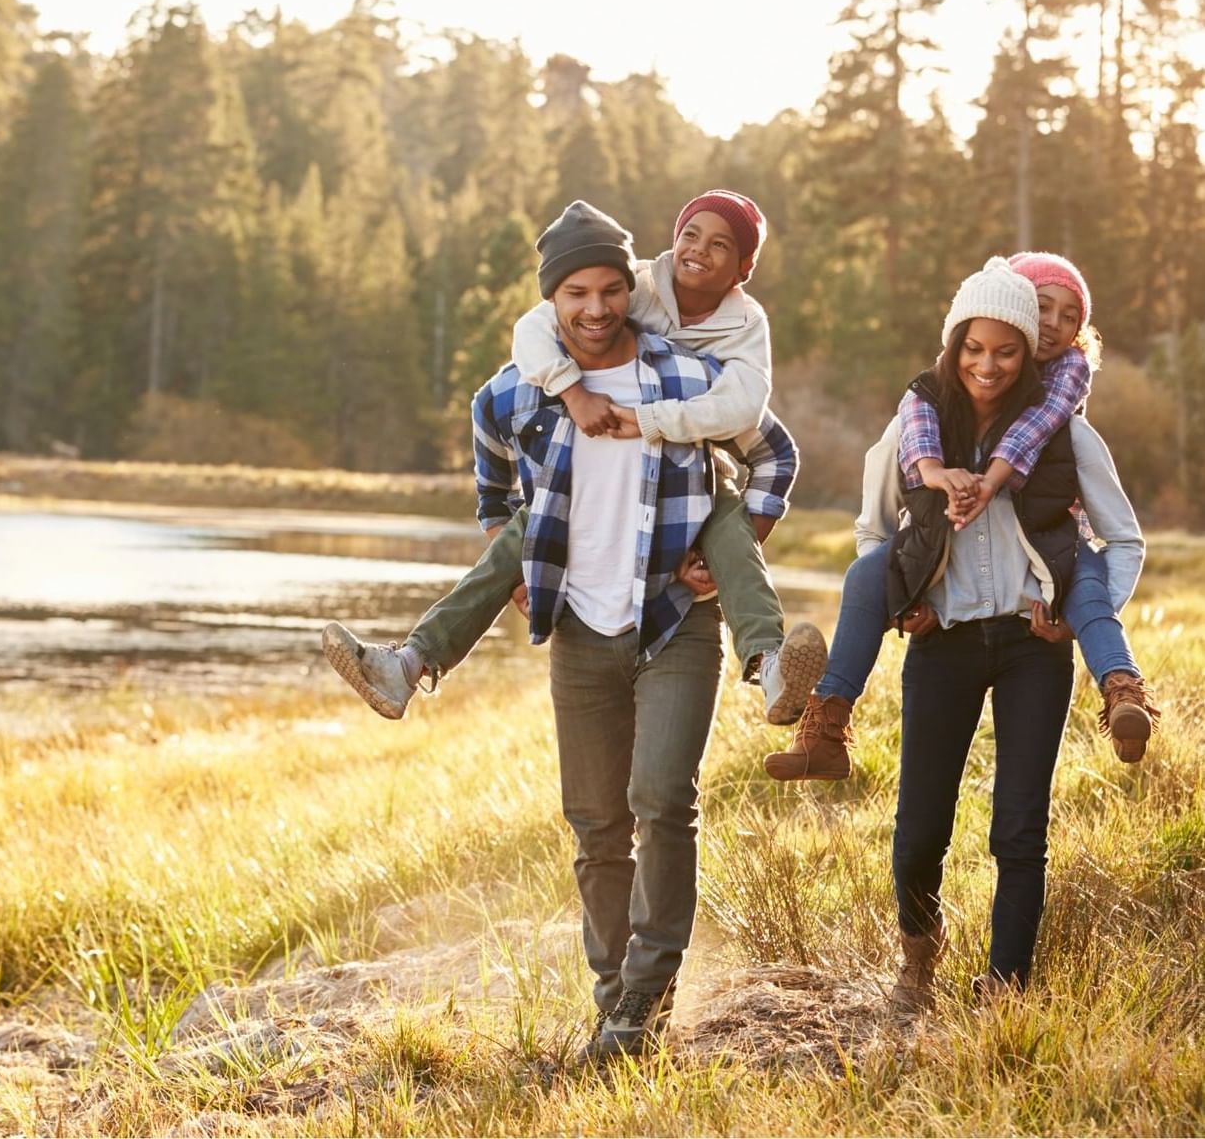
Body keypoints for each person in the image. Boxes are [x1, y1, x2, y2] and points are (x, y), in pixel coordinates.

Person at [436, 201, 799, 1059]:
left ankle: (644, 996)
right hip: (580, 629)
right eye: (574, 294)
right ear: (552, 303)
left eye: (607, 291)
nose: (595, 308)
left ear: (626, 296)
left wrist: (738, 535)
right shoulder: (530, 379)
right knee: (595, 824)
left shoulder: (683, 375)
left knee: (661, 802)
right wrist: (504, 540)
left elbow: (772, 449)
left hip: (674, 618)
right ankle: (615, 1006)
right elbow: (489, 450)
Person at [322, 193, 824, 728]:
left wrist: (720, 543)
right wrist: (570, 392)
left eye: (720, 244)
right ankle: (408, 664)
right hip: (585, 477)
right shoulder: (633, 285)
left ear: (744, 269)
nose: (698, 250)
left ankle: (770, 665)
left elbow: (751, 413)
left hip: (696, 474)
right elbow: (534, 330)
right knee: (525, 530)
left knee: (728, 527)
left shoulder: (744, 327)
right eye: (691, 234)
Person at [846, 260, 1143, 1007]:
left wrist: (1074, 614)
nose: (990, 363)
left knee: (1018, 829)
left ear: (1024, 352)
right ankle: (918, 957)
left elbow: (1124, 541)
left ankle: (1006, 983)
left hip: (1029, 648)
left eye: (1008, 349)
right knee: (918, 827)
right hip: (941, 643)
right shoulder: (916, 427)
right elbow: (870, 531)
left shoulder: (1066, 434)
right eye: (976, 348)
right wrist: (902, 600)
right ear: (957, 345)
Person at [765, 251, 1158, 783]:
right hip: (943, 597)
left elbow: (1038, 433)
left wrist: (990, 481)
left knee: (1087, 584)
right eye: (1043, 308)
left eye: (1070, 317)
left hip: (1050, 557)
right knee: (865, 574)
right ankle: (827, 723)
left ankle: (1122, 688)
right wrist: (907, 591)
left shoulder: (1063, 395)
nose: (1055, 326)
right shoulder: (928, 400)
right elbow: (889, 487)